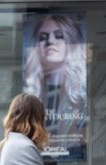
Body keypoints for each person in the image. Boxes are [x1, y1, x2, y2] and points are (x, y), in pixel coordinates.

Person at [22, 13, 88, 155]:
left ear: (70, 43)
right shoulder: (30, 97)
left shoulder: (81, 99)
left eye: (59, 36)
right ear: (36, 47)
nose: (50, 42)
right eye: (43, 37)